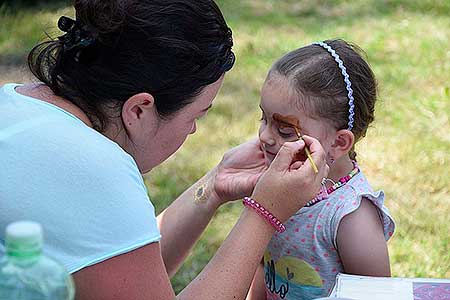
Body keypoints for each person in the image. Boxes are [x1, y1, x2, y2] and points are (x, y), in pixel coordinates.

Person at [0, 1, 328, 299]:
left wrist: (213, 186)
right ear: (140, 109)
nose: (193, 129)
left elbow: (126, 269)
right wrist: (264, 213)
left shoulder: (15, 100)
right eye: (196, 115)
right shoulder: (93, 165)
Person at [246, 39, 396, 300]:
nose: (265, 137)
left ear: (338, 143)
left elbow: (377, 295)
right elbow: (264, 264)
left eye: (284, 130)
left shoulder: (351, 217)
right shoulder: (278, 186)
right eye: (264, 118)